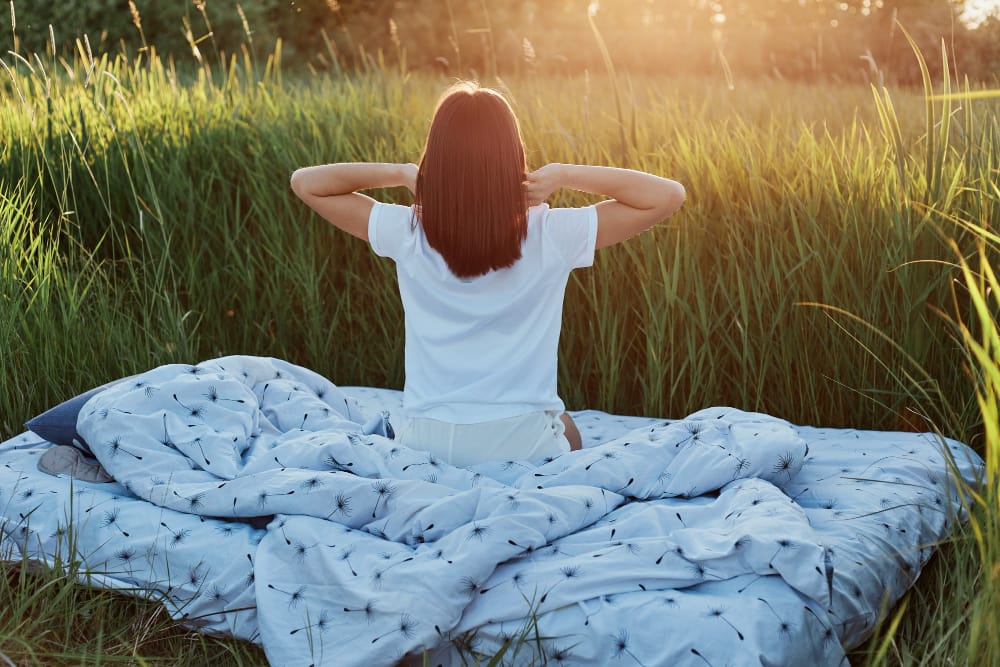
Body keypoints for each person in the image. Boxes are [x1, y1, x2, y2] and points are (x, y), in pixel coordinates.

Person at [290, 81, 685, 467]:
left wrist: (402, 172)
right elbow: (668, 196)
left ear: (438, 159)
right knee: (566, 426)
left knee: (556, 423)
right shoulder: (550, 233)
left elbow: (306, 184)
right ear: (511, 157)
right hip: (522, 443)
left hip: (427, 443)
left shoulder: (407, 231)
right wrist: (563, 174)